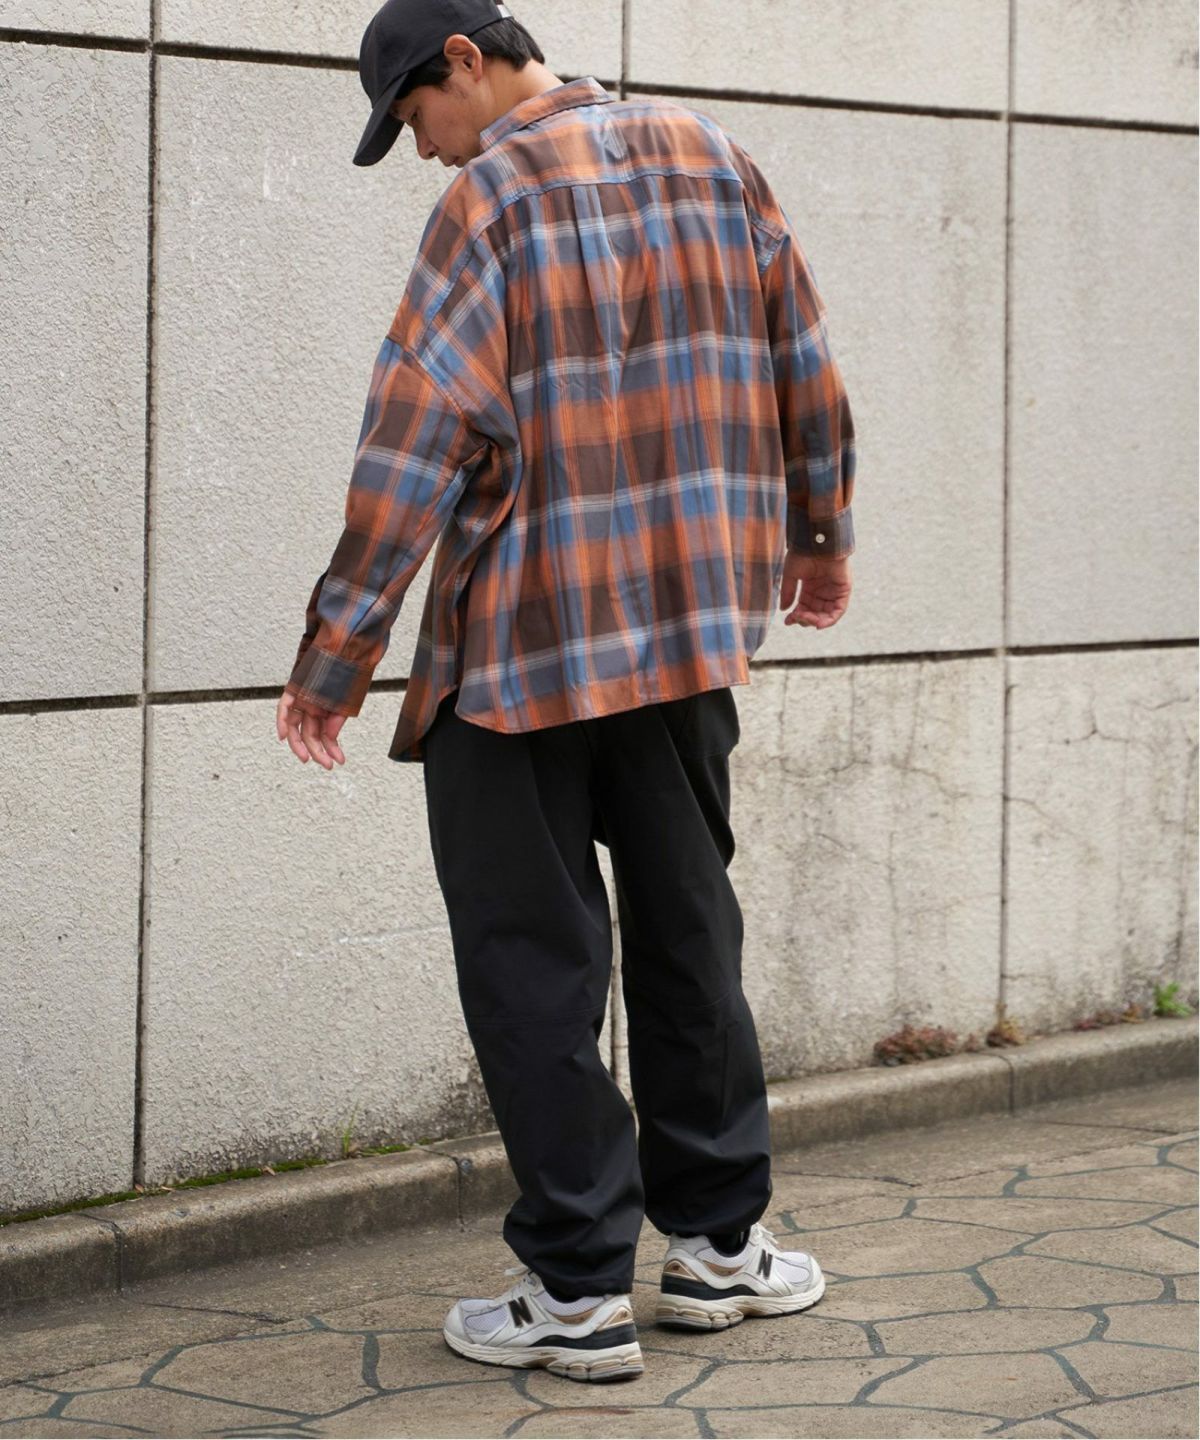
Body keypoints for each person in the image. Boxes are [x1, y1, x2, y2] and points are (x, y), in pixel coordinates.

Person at [275, 0, 856, 1386]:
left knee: (535, 966)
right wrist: (821, 532)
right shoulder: (713, 154)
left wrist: (339, 657)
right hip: (685, 637)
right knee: (688, 931)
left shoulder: (488, 204)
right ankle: (720, 1248)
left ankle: (580, 1292)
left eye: (415, 116)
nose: (426, 149)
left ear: (465, 62)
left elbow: (413, 437)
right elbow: (804, 359)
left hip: (520, 654)